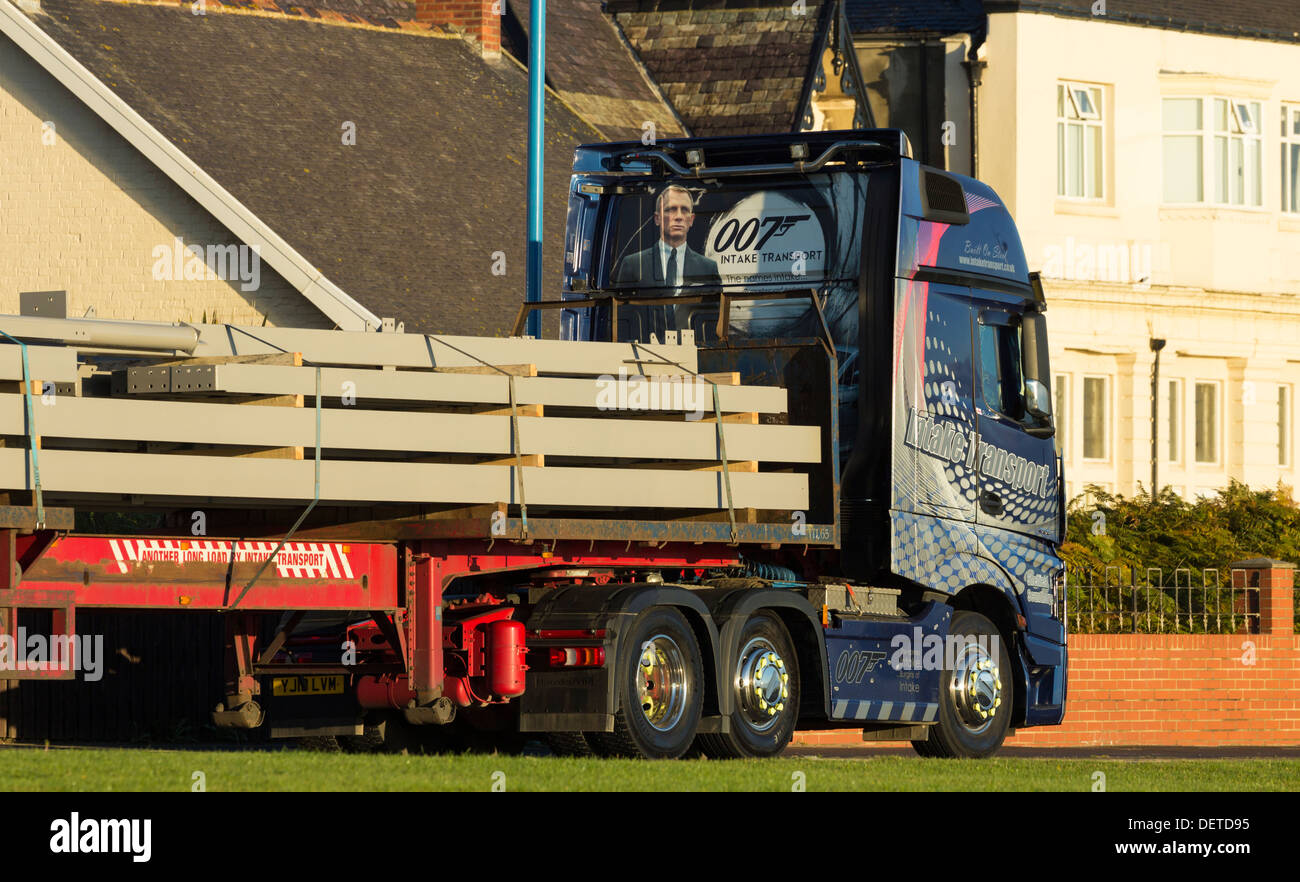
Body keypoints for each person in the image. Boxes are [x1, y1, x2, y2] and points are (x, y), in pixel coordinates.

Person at [612, 185, 722, 289]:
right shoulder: (633, 265)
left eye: (684, 210)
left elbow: (715, 308)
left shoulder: (708, 268)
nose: (679, 217)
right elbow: (623, 308)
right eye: (671, 209)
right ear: (657, 218)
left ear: (691, 219)